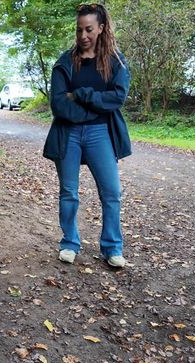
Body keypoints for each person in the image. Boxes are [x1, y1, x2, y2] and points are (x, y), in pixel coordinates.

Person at [43, 3, 132, 268]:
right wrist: (95, 105)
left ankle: (112, 248)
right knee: (69, 192)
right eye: (79, 29)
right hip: (67, 133)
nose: (83, 35)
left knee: (112, 192)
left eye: (89, 29)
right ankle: (69, 243)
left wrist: (80, 95)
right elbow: (59, 104)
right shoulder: (64, 62)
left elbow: (117, 97)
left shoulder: (115, 62)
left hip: (100, 133)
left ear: (101, 28)